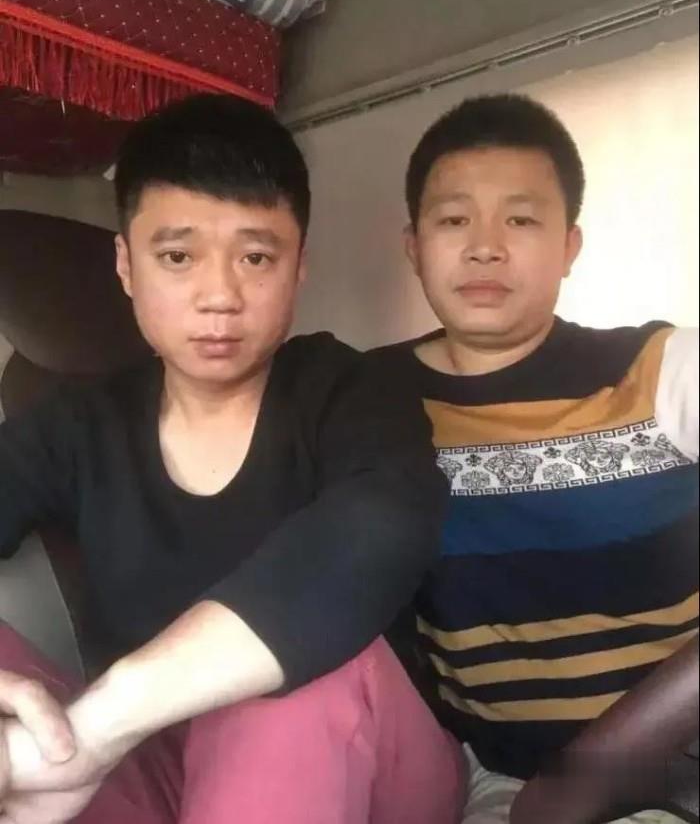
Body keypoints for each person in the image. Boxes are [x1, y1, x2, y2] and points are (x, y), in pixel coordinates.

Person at [0, 94, 465, 824]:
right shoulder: (81, 423)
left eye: (255, 257)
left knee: (302, 662)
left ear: (298, 266)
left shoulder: (346, 391)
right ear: (126, 265)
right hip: (150, 767)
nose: (219, 296)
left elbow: (382, 524)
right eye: (177, 257)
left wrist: (107, 714)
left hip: (375, 767)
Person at [385, 93, 699, 823]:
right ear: (414, 246)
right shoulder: (367, 401)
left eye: (521, 220)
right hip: (495, 780)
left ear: (569, 246)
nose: (485, 247)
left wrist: (587, 778)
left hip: (677, 769)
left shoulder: (663, 370)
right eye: (453, 219)